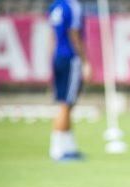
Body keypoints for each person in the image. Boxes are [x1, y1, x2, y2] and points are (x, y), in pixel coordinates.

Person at [48, 0, 89, 161]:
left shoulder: (55, 5)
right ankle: (58, 149)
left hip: (58, 56)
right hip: (70, 58)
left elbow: (52, 34)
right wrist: (85, 61)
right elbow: (74, 34)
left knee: (67, 103)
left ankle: (68, 146)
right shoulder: (73, 6)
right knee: (66, 103)